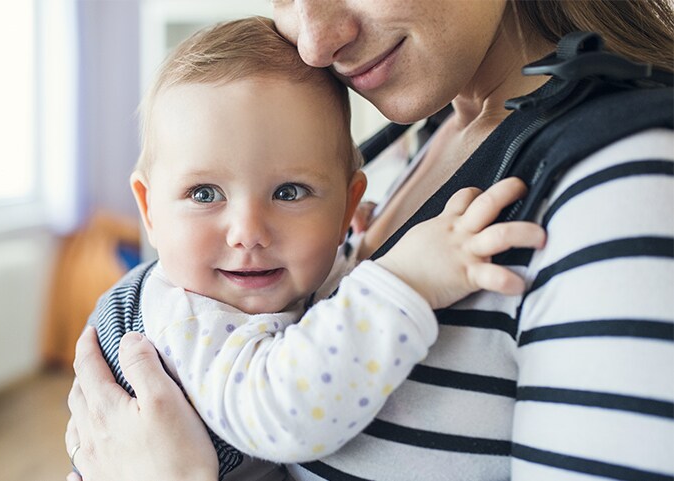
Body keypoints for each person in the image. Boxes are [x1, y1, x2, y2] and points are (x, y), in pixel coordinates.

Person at [67, 1, 674, 480]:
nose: (315, 37)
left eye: (289, 193)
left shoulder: (622, 181)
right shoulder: (419, 143)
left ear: (345, 198)